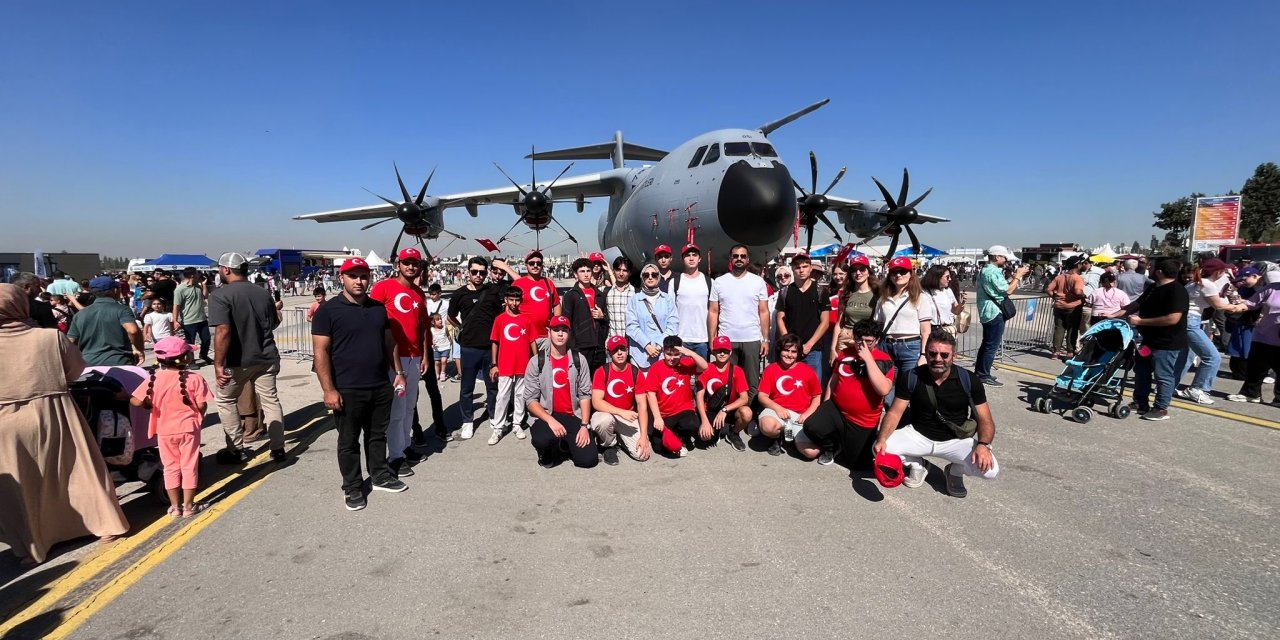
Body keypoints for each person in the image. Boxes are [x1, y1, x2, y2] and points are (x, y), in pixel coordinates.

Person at [0, 284, 129, 564]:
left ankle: (35, 544)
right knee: (75, 469)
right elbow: (75, 370)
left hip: (5, 420)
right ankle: (102, 525)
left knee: (24, 484)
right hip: (54, 410)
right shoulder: (48, 338)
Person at [312, 257, 409, 511]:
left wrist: (398, 372)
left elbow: (389, 343)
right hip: (347, 388)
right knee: (348, 440)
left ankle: (379, 475)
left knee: (377, 435)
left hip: (379, 385)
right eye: (353, 276)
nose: (359, 281)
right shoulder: (328, 311)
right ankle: (353, 486)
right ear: (341, 278)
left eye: (363, 276)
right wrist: (329, 389)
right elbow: (320, 352)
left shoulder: (378, 308)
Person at [873, 331, 1000, 498]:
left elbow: (985, 419)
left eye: (944, 354)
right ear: (926, 353)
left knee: (990, 470)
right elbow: (895, 413)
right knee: (879, 449)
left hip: (955, 440)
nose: (938, 359)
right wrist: (882, 439)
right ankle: (918, 464)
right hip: (918, 435)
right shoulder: (912, 377)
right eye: (932, 353)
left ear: (954, 356)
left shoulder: (969, 380)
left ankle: (955, 470)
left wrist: (984, 445)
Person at [209, 252, 286, 462]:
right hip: (266, 356)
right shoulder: (262, 293)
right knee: (270, 400)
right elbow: (274, 323)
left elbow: (222, 331)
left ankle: (236, 448)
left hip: (237, 360)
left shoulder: (220, 295)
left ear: (226, 269)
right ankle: (278, 447)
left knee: (225, 399)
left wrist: (218, 364)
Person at [130, 337, 212, 517]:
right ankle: (189, 506)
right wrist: (199, 415)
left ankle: (175, 507)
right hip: (188, 428)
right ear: (185, 358)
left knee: (170, 467)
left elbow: (135, 400)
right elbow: (202, 405)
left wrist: (149, 405)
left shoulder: (154, 378)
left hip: (165, 430)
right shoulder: (195, 378)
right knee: (189, 465)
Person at [368, 248, 432, 476]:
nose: (411, 267)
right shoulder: (383, 287)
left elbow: (423, 326)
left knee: (409, 407)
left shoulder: (419, 293)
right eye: (407, 263)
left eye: (415, 263)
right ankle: (395, 456)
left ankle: (404, 447)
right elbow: (372, 320)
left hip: (414, 358)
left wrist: (425, 355)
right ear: (398, 264)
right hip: (393, 359)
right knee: (396, 410)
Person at [798, 319, 894, 467]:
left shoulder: (884, 360)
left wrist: (868, 358)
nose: (862, 345)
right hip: (837, 409)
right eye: (858, 340)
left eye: (868, 341)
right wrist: (826, 404)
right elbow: (834, 379)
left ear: (877, 340)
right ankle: (831, 446)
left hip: (862, 420)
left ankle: (848, 443)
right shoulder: (844, 354)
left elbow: (883, 389)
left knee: (858, 465)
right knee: (812, 426)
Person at [522, 316, 597, 468]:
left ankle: (565, 445)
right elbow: (530, 400)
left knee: (587, 460)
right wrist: (550, 420)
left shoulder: (579, 359)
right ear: (549, 333)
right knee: (542, 440)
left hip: (572, 415)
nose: (560, 334)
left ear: (569, 333)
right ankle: (549, 450)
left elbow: (585, 394)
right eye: (556, 330)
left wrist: (584, 425)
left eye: (564, 330)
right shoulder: (537, 361)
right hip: (547, 415)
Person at [1122, 258, 1190, 421]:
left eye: (1151, 267)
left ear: (1159, 271)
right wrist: (1114, 314)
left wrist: (1140, 321)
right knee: (1141, 370)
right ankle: (1140, 402)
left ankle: (1161, 408)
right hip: (1148, 341)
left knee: (1163, 375)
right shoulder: (1154, 287)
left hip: (1166, 343)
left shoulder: (1177, 291)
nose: (1149, 269)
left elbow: (1172, 318)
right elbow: (1137, 304)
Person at [448, 256, 504, 440]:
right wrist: (461, 327)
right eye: (474, 272)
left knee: (492, 386)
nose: (478, 275)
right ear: (468, 272)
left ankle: (495, 416)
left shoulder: (492, 291)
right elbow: (451, 316)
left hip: (490, 347)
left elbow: (500, 315)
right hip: (469, 347)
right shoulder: (459, 294)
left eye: (482, 272)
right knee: (467, 388)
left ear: (486, 273)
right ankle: (467, 421)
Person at [709, 244, 770, 396]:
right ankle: (729, 415)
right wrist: (712, 338)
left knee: (752, 382)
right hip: (727, 339)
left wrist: (766, 340)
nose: (739, 259)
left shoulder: (758, 282)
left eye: (743, 256)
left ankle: (749, 415)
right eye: (736, 256)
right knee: (729, 381)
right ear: (730, 259)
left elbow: (764, 312)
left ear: (748, 259)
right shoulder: (719, 282)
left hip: (751, 338)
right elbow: (713, 311)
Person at [1175, 259, 1232, 405]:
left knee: (1187, 356)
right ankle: (1197, 389)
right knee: (1212, 357)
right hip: (1191, 321)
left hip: (1186, 320)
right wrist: (1239, 306)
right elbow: (1218, 305)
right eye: (1224, 271)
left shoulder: (1196, 283)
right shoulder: (1207, 284)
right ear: (1218, 272)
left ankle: (1168, 385)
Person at [641, 335, 709, 457]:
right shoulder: (656, 368)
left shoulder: (686, 363)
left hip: (684, 410)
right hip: (665, 413)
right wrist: (657, 417)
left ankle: (682, 438)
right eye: (668, 354)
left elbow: (704, 366)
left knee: (692, 424)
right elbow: (650, 393)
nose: (672, 358)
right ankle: (673, 438)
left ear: (681, 353)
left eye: (676, 354)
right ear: (663, 352)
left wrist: (690, 353)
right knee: (658, 447)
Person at [756, 333, 823, 455]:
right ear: (780, 350)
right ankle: (777, 438)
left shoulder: (807, 370)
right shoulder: (771, 369)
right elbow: (762, 396)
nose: (789, 355)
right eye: (786, 350)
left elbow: (817, 396)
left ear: (798, 354)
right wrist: (777, 408)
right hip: (777, 412)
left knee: (812, 453)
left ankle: (791, 438)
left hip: (800, 415)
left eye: (793, 352)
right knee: (768, 427)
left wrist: (807, 414)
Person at [589, 335, 649, 464]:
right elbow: (596, 402)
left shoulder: (635, 372)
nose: (620, 353)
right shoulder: (602, 371)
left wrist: (644, 437)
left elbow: (642, 406)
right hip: (607, 413)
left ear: (627, 351)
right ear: (609, 353)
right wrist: (621, 412)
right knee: (602, 421)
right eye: (615, 350)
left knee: (642, 455)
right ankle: (607, 446)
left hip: (627, 418)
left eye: (622, 349)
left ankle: (619, 438)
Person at [975, 245, 1029, 387]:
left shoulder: (986, 270)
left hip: (988, 311)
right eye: (1004, 257)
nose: (1006, 260)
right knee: (991, 346)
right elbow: (1007, 290)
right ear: (997, 257)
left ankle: (980, 372)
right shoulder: (992, 272)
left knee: (987, 344)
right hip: (994, 312)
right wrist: (1018, 276)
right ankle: (983, 375)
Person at [488, 286, 535, 445]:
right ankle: (498, 427)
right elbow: (495, 342)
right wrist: (494, 364)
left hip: (523, 364)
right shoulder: (500, 319)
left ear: (520, 301)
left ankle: (517, 424)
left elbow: (532, 341)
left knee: (521, 395)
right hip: (505, 364)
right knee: (503, 395)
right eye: (511, 300)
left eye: (517, 300)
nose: (514, 303)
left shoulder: (526, 319)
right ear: (506, 301)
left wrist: (535, 360)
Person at [1226, 267, 1280, 404]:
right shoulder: (1271, 288)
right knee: (1255, 367)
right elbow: (1250, 303)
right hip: (1263, 334)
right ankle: (1251, 393)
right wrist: (1235, 306)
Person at [67, 275, 145, 366]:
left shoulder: (80, 314)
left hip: (88, 364)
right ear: (115, 290)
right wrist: (139, 349)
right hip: (119, 362)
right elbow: (133, 331)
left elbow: (70, 341)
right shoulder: (122, 310)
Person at [875, 257, 931, 377]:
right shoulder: (883, 298)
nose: (898, 275)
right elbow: (878, 325)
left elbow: (926, 330)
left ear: (910, 274)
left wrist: (923, 355)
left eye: (903, 271)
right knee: (887, 388)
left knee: (908, 386)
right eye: (894, 272)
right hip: (886, 346)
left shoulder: (921, 297)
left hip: (910, 347)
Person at [776, 253, 831, 374]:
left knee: (813, 389)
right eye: (797, 267)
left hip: (813, 350)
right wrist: (788, 343)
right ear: (793, 269)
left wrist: (809, 345)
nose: (801, 270)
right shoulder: (784, 292)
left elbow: (825, 322)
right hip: (790, 350)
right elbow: (780, 318)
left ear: (810, 268)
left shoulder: (821, 291)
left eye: (805, 266)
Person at [697, 335, 752, 452]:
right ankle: (719, 429)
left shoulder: (737, 370)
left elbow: (744, 398)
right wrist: (704, 421)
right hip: (711, 409)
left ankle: (733, 433)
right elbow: (699, 397)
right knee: (703, 440)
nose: (722, 354)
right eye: (718, 351)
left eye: (725, 351)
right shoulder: (706, 368)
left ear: (730, 352)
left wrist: (725, 409)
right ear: (713, 351)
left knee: (747, 413)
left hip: (730, 409)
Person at [661, 243, 713, 358]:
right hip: (681, 339)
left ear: (699, 259)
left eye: (694, 255)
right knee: (682, 375)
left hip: (703, 339)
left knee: (702, 375)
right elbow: (669, 311)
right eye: (687, 255)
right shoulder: (674, 282)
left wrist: (712, 337)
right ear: (682, 259)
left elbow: (713, 311)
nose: (691, 258)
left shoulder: (709, 282)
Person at [626, 262, 679, 369]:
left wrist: (659, 345)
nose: (650, 277)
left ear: (658, 277)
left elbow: (673, 325)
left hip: (663, 354)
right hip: (640, 355)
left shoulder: (667, 299)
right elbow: (631, 326)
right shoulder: (634, 300)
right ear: (642, 278)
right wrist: (647, 345)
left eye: (654, 275)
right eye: (646, 275)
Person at [560, 257, 609, 371]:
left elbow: (607, 320)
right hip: (580, 347)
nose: (586, 274)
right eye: (582, 271)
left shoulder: (600, 295)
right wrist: (572, 346)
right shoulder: (570, 296)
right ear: (576, 274)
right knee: (581, 381)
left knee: (597, 381)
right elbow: (566, 322)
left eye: (588, 271)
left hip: (599, 346)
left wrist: (602, 317)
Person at [507, 250, 560, 348]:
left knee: (545, 363)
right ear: (526, 265)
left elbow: (556, 304)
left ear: (542, 266)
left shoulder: (549, 283)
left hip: (545, 336)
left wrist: (556, 327)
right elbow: (509, 308)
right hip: (523, 334)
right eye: (532, 263)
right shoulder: (518, 283)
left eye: (538, 263)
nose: (535, 266)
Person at [831, 255, 878, 358]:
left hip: (866, 338)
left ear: (868, 271)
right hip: (846, 337)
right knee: (843, 371)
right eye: (854, 270)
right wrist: (833, 347)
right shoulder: (846, 294)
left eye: (862, 269)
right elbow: (839, 323)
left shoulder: (877, 294)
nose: (858, 273)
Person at [1046, 255, 1087, 359]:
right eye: (1081, 263)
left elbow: (1049, 289)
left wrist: (1055, 297)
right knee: (1072, 329)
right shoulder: (1077, 278)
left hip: (1059, 306)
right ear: (1077, 265)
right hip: (1073, 307)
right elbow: (1078, 291)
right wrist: (1083, 296)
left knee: (1059, 329)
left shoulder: (1060, 277)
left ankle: (1056, 352)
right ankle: (1070, 351)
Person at [172, 267, 212, 364]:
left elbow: (205, 296)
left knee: (206, 339)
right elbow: (176, 306)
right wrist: (175, 320)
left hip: (202, 318)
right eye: (197, 273)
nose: (199, 275)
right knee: (190, 342)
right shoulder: (180, 289)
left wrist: (204, 285)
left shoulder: (198, 286)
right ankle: (191, 361)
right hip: (189, 321)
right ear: (193, 276)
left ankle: (203, 354)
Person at [922, 264, 965, 340]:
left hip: (947, 329)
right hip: (932, 330)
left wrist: (962, 303)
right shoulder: (924, 293)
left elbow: (956, 311)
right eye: (947, 277)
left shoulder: (948, 291)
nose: (950, 279)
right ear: (937, 277)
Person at [604, 256, 635, 340]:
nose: (621, 273)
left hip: (632, 343)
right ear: (613, 271)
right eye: (618, 270)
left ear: (630, 273)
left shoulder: (636, 293)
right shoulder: (606, 292)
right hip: (612, 342)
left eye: (625, 270)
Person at [430, 313, 451, 381]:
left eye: (441, 319)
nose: (440, 321)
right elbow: (431, 338)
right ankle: (436, 374)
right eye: (438, 320)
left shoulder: (445, 328)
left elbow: (448, 336)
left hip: (445, 347)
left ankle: (443, 372)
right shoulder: (432, 330)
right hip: (436, 348)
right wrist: (432, 342)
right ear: (433, 322)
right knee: (437, 362)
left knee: (444, 360)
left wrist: (450, 342)